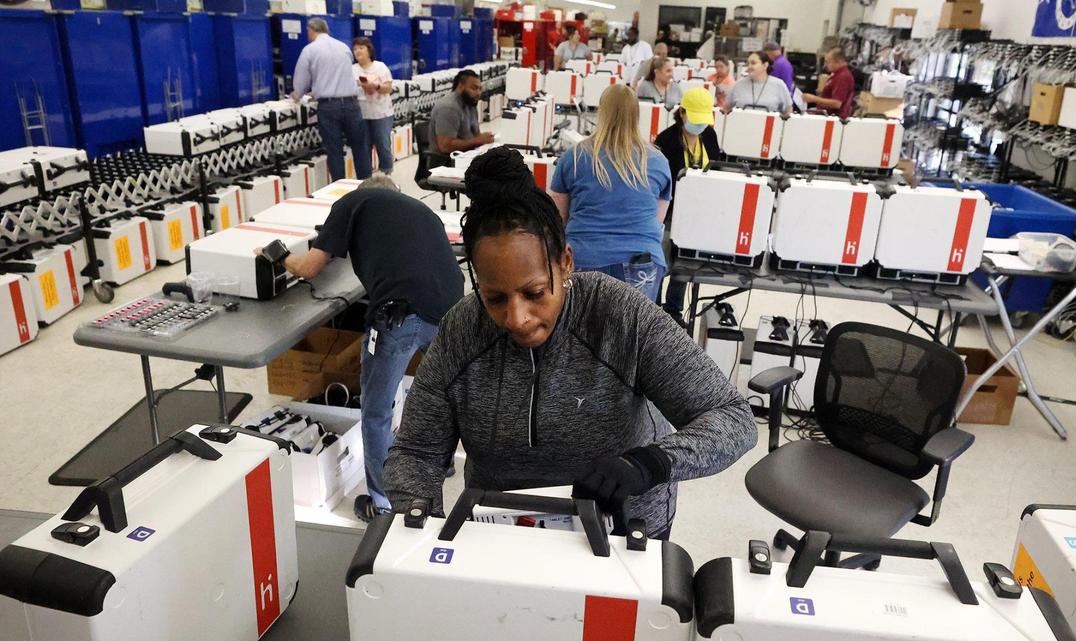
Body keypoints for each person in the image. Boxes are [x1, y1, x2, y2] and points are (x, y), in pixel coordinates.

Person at [383, 147, 757, 539]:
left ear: (565, 262)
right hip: (502, 534)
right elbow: (416, 451)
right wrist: (419, 523)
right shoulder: (463, 330)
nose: (517, 318)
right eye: (494, 298)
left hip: (622, 532)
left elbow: (732, 417)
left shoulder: (618, 315)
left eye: (535, 292)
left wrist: (648, 465)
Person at [262, 174, 464, 521]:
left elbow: (310, 268)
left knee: (376, 411)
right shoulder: (423, 211)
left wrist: (278, 256)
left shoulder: (352, 202)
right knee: (437, 398)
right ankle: (440, 466)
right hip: (452, 309)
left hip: (399, 315)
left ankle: (384, 503)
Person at [549, 85, 672, 300]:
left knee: (579, 330)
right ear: (636, 115)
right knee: (634, 332)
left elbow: (559, 217)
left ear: (601, 112)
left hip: (583, 257)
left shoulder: (574, 156)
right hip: (642, 261)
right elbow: (658, 219)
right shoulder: (657, 161)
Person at [653, 88, 722, 324]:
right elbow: (659, 179)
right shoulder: (666, 140)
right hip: (670, 210)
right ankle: (653, 311)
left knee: (684, 264)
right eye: (696, 120)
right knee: (662, 261)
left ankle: (674, 312)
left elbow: (717, 168)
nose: (700, 125)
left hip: (698, 212)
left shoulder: (710, 137)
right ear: (682, 113)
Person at [292, 18, 373, 181]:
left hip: (329, 107)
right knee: (360, 147)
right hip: (351, 104)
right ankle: (367, 185)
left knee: (334, 150)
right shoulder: (343, 47)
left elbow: (301, 80)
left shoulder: (310, 50)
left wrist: (297, 94)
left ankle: (340, 190)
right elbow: (341, 73)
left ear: (310, 30)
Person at [352, 37, 395, 175]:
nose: (358, 51)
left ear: (369, 50)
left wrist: (376, 86)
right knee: (363, 147)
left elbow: (388, 88)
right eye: (355, 49)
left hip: (381, 113)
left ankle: (386, 173)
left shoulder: (380, 67)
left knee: (383, 144)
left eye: (361, 48)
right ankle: (366, 177)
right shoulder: (352, 70)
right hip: (361, 114)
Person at [428, 69, 495, 154]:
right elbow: (445, 146)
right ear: (460, 86)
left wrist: (484, 138)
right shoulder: (449, 108)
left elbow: (475, 136)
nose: (478, 93)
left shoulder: (470, 103)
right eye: (474, 88)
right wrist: (477, 141)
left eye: (480, 89)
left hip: (467, 155)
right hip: (447, 162)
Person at [727, 51, 792, 114]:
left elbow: (788, 110)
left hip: (769, 124)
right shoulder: (739, 84)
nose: (749, 67)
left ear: (765, 65)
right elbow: (726, 108)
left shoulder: (779, 85)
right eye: (748, 64)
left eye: (753, 63)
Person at [804, 47, 855, 119]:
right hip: (826, 116)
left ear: (839, 61)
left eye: (828, 62)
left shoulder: (843, 77)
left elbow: (837, 103)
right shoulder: (836, 74)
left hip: (833, 120)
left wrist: (814, 99)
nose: (825, 65)